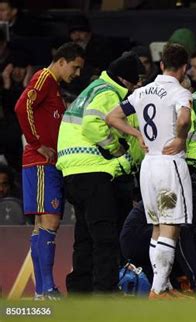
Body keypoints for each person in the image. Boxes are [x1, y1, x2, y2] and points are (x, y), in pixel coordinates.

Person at [106, 43, 193, 299]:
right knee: (170, 225)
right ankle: (157, 290)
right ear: (184, 67)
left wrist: (137, 134)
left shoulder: (142, 92)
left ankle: (162, 286)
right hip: (169, 165)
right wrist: (181, 138)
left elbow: (112, 116)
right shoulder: (180, 92)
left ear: (162, 64)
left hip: (148, 167)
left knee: (156, 226)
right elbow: (184, 119)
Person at [57, 52, 144, 294]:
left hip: (72, 172)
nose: (135, 87)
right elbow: (92, 125)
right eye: (134, 82)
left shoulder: (92, 89)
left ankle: (80, 293)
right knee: (105, 239)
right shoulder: (108, 93)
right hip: (93, 171)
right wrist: (117, 151)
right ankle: (105, 295)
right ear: (124, 79)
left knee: (84, 237)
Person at [14, 42, 85, 300]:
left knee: (41, 225)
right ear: (62, 61)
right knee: (50, 221)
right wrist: (36, 143)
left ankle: (41, 291)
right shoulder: (44, 77)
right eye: (75, 67)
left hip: (44, 164)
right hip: (41, 162)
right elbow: (22, 107)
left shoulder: (53, 87)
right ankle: (47, 289)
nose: (76, 74)